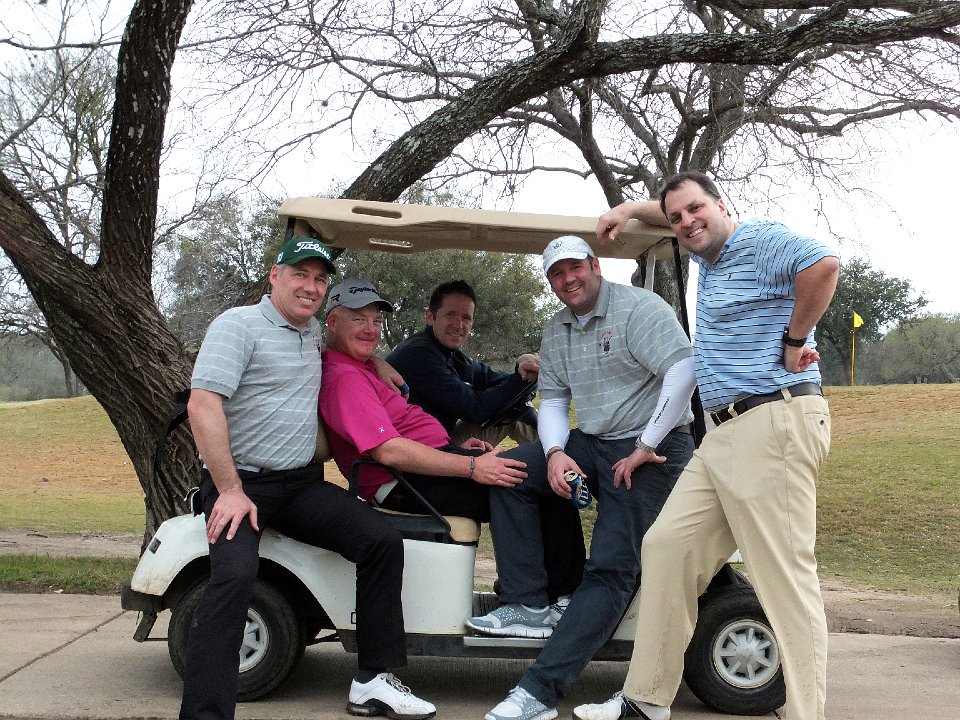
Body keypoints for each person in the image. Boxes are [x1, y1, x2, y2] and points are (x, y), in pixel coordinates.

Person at [574, 172, 838, 720]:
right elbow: (673, 211)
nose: (687, 222)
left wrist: (794, 339)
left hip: (771, 420)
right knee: (667, 547)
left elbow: (823, 264)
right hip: (722, 435)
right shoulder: (708, 258)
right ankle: (646, 700)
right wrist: (631, 209)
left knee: (785, 583)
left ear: (721, 204)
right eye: (676, 218)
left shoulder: (756, 240)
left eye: (697, 209)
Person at [179, 237, 435, 720]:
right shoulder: (238, 325)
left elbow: (338, 347)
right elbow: (203, 404)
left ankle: (373, 683)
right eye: (300, 274)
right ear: (275, 275)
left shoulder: (311, 331)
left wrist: (377, 362)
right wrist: (229, 490)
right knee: (234, 578)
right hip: (241, 486)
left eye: (319, 279)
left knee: (381, 541)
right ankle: (204, 714)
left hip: (299, 486)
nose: (311, 286)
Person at [471, 235, 698, 720]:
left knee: (612, 569)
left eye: (574, 267)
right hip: (593, 442)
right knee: (509, 472)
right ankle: (530, 604)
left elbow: (683, 372)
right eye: (556, 273)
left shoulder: (639, 309)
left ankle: (537, 693)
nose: (567, 279)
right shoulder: (557, 329)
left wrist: (646, 445)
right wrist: (554, 454)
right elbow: (554, 400)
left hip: (654, 448)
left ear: (595, 265)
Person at [318, 277, 584, 602]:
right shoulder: (348, 378)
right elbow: (390, 451)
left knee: (542, 481)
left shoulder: (363, 365)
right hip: (403, 482)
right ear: (333, 322)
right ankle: (545, 599)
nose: (371, 329)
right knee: (536, 485)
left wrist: (457, 449)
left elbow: (485, 382)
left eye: (376, 321)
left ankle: (554, 591)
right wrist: (471, 466)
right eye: (359, 319)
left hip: (420, 469)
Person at [386, 280, 539, 447]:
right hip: (415, 451)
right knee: (514, 412)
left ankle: (553, 450)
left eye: (466, 318)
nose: (458, 325)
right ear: (430, 317)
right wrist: (521, 380)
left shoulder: (451, 355)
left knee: (516, 410)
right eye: (450, 315)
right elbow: (475, 408)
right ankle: (554, 453)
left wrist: (523, 369)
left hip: (439, 440)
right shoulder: (417, 354)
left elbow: (490, 377)